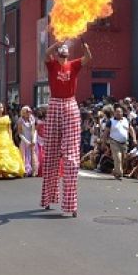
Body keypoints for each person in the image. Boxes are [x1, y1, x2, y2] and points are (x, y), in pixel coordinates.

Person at [40, 38, 91, 217]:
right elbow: (45, 54)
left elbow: (87, 58)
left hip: (70, 105)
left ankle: (71, 204)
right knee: (51, 153)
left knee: (70, 157)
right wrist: (56, 43)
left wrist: (86, 49)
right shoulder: (52, 64)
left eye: (64, 48)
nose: (63, 50)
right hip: (54, 104)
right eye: (60, 49)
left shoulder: (74, 65)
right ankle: (48, 197)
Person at [0, 102, 24, 179]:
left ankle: (7, 171)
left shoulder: (7, 118)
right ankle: (1, 171)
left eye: (1, 107)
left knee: (8, 153)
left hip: (6, 137)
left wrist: (11, 139)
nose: (0, 109)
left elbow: (9, 130)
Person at [108, 106, 135, 180]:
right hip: (114, 141)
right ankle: (119, 173)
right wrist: (103, 142)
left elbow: (131, 129)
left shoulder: (126, 120)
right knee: (118, 158)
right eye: (117, 112)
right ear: (114, 113)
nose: (118, 113)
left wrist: (134, 139)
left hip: (124, 143)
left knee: (123, 158)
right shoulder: (111, 121)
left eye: (120, 112)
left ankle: (115, 170)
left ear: (122, 113)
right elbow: (106, 132)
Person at [17, 106, 37, 177]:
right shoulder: (20, 120)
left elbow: (34, 130)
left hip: (32, 140)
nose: (28, 113)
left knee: (32, 155)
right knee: (24, 155)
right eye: (27, 112)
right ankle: (25, 171)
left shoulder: (32, 119)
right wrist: (26, 142)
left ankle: (33, 171)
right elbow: (20, 133)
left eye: (29, 112)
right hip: (24, 140)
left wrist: (34, 140)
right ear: (23, 113)